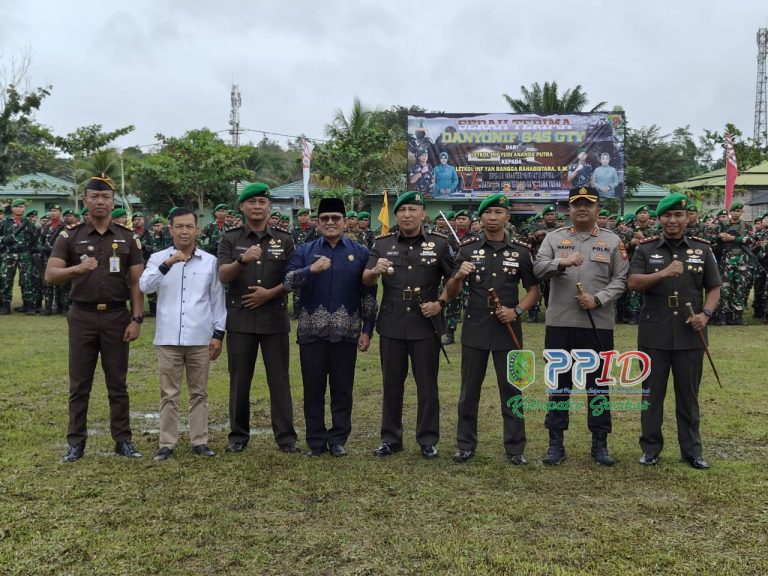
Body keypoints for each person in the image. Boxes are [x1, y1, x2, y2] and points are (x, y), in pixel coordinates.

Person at [45, 176, 145, 462]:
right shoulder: (69, 237)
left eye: (106, 198)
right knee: (80, 384)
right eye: (94, 197)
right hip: (82, 317)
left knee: (118, 382)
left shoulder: (128, 238)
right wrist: (78, 269)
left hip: (117, 315)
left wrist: (136, 319)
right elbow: (51, 275)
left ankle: (123, 440)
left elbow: (137, 282)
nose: (100, 202)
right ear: (85, 201)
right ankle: (76, 442)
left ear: (113, 202)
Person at [533, 186, 628, 466]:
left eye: (588, 204)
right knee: (559, 385)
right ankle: (555, 442)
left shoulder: (612, 241)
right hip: (560, 324)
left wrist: (598, 299)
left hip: (597, 325)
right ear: (569, 210)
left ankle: (600, 443)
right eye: (577, 205)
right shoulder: (554, 238)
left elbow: (621, 280)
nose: (582, 209)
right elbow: (538, 269)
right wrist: (562, 262)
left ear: (597, 208)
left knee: (597, 385)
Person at [443, 194, 540, 464]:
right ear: (481, 218)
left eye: (499, 212)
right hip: (475, 326)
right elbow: (451, 291)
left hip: (506, 328)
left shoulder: (521, 251)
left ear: (507, 217)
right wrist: (459, 275)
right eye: (488, 213)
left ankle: (515, 448)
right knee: (469, 391)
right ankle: (465, 444)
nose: (493, 217)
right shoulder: (467, 248)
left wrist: (517, 310)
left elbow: (534, 290)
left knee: (512, 389)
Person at [627, 194, 721, 469]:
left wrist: (706, 314)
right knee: (651, 394)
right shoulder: (645, 249)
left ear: (687, 218)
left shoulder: (702, 250)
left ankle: (692, 451)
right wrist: (663, 273)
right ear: (659, 219)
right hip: (654, 332)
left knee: (688, 396)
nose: (672, 220)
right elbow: (633, 282)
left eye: (678, 215)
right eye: (667, 216)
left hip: (690, 332)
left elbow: (714, 287)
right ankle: (650, 448)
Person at [284, 198, 377, 457]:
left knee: (342, 388)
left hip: (346, 333)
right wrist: (310, 270)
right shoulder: (304, 250)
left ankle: (338, 438)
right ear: (317, 222)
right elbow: (288, 282)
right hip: (312, 332)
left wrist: (368, 329)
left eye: (336, 218)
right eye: (324, 218)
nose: (330, 223)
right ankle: (315, 440)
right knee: (313, 389)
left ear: (345, 222)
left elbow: (369, 292)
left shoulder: (360, 252)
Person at [363, 191, 453, 458]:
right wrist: (374, 271)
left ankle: (427, 439)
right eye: (402, 210)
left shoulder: (439, 244)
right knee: (392, 384)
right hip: (392, 323)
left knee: (427, 385)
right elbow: (366, 279)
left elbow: (454, 279)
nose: (407, 215)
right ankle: (390, 438)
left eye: (413, 209)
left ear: (423, 214)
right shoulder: (382, 243)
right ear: (396, 215)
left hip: (426, 324)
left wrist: (441, 302)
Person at [139, 208, 227, 461]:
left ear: (197, 229)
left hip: (200, 338)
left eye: (189, 226)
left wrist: (218, 334)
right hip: (168, 339)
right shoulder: (158, 258)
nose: (185, 231)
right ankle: (167, 442)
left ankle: (200, 440)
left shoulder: (210, 261)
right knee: (169, 393)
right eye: (179, 226)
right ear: (171, 229)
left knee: (199, 393)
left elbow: (216, 301)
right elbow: (145, 286)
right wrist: (168, 264)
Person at [218, 182, 298, 454]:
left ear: (269, 207)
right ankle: (238, 436)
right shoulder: (230, 239)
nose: (257, 207)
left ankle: (286, 437)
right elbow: (222, 276)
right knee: (239, 380)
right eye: (251, 202)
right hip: (241, 320)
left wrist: (269, 294)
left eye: (262, 202)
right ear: (242, 207)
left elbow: (292, 279)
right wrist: (242, 261)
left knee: (279, 378)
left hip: (274, 319)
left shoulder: (284, 239)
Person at [0, 199, 39, 315]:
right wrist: (3, 239)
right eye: (17, 207)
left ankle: (29, 306)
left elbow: (35, 239)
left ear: (24, 209)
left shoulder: (29, 223)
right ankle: (5, 306)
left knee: (27, 280)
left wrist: (28, 249)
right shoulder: (5, 222)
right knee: (6, 279)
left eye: (21, 207)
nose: (19, 209)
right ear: (12, 208)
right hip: (9, 254)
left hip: (24, 254)